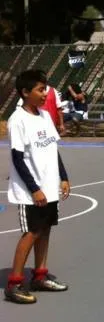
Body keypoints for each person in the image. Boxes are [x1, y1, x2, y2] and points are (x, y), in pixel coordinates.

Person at [5, 70, 70, 304]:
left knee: (45, 230)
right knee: (31, 233)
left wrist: (63, 177)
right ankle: (14, 284)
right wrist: (34, 189)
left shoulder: (44, 116)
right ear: (25, 92)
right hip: (31, 192)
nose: (45, 94)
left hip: (50, 187)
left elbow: (53, 148)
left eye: (46, 89)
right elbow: (17, 159)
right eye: (40, 90)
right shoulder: (18, 120)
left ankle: (40, 276)